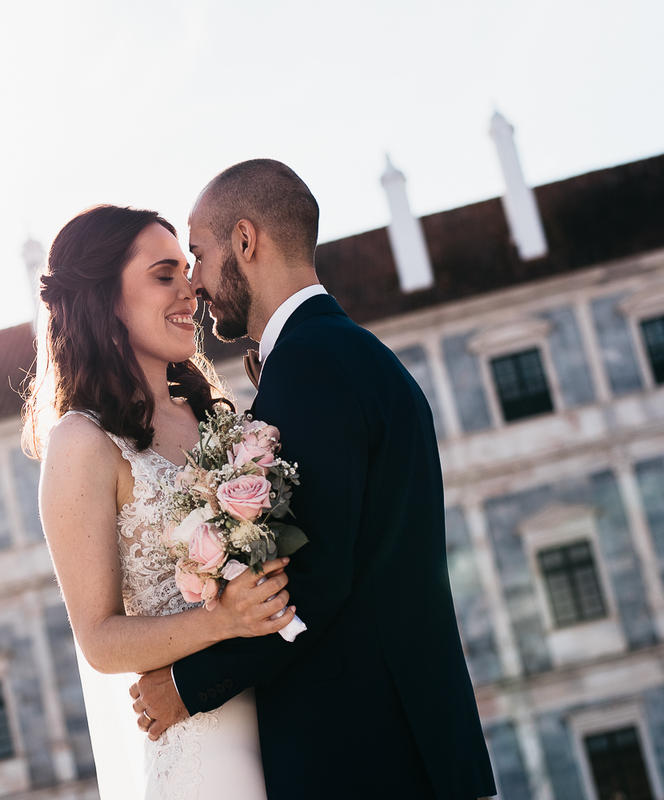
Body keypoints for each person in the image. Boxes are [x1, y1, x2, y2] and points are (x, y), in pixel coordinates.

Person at [129, 159, 498, 799]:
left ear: (245, 242)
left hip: (367, 754)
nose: (193, 282)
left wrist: (189, 687)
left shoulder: (311, 366)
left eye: (198, 253)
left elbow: (316, 575)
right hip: (410, 745)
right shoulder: (353, 353)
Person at [26, 204, 298, 799]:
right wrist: (224, 618)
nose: (191, 291)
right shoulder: (82, 443)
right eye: (163, 275)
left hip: (287, 720)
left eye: (186, 270)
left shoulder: (211, 416)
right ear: (106, 300)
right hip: (203, 749)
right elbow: (99, 639)